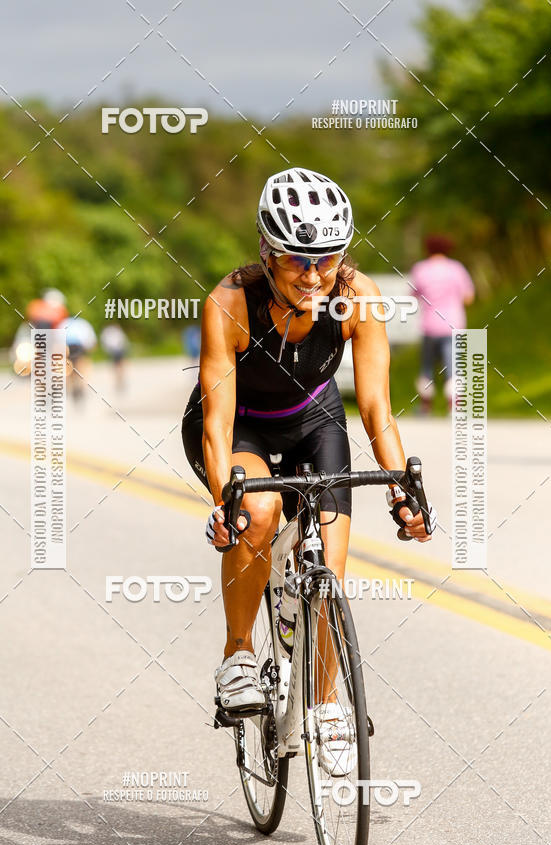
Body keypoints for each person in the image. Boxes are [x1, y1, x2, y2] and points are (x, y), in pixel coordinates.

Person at [181, 167, 434, 774]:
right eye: (298, 259)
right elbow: (217, 423)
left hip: (315, 421)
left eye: (328, 258)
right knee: (259, 509)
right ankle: (239, 655)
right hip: (240, 425)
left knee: (330, 573)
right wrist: (224, 502)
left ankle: (323, 703)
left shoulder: (357, 297)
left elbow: (375, 408)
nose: (314, 275)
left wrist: (403, 490)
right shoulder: (230, 302)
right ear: (267, 253)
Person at [409, 235, 475, 414]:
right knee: (453, 366)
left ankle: (425, 406)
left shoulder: (420, 269)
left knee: (427, 366)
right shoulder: (456, 269)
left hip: (429, 325)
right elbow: (468, 297)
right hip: (453, 324)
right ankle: (454, 405)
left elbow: (413, 294)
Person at [100, 324, 129, 392]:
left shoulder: (107, 333)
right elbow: (124, 341)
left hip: (116, 351)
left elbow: (105, 343)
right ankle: (120, 378)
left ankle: (119, 378)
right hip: (118, 350)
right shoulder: (116, 332)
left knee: (117, 365)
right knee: (119, 365)